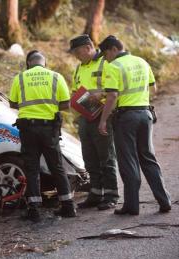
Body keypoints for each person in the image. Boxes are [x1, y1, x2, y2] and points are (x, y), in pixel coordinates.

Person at [98, 35, 171, 215]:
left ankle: (132, 206)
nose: (105, 58)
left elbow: (112, 96)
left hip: (126, 118)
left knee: (128, 160)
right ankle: (164, 200)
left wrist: (102, 120)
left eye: (105, 54)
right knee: (148, 157)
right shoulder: (142, 61)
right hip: (145, 114)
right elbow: (152, 88)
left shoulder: (114, 66)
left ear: (113, 49)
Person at [9, 50, 76, 222]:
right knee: (57, 166)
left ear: (29, 63)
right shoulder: (56, 77)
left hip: (28, 129)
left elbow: (12, 103)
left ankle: (34, 211)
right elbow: (66, 104)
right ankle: (68, 206)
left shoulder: (20, 78)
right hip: (49, 129)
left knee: (32, 168)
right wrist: (49, 107)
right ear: (44, 63)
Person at [68, 34, 119, 210]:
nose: (75, 55)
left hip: (104, 115)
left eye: (76, 52)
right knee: (89, 157)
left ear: (87, 48)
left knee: (106, 157)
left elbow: (116, 88)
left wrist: (102, 94)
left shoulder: (106, 62)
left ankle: (111, 195)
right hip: (85, 117)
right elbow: (76, 91)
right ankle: (96, 194)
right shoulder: (78, 68)